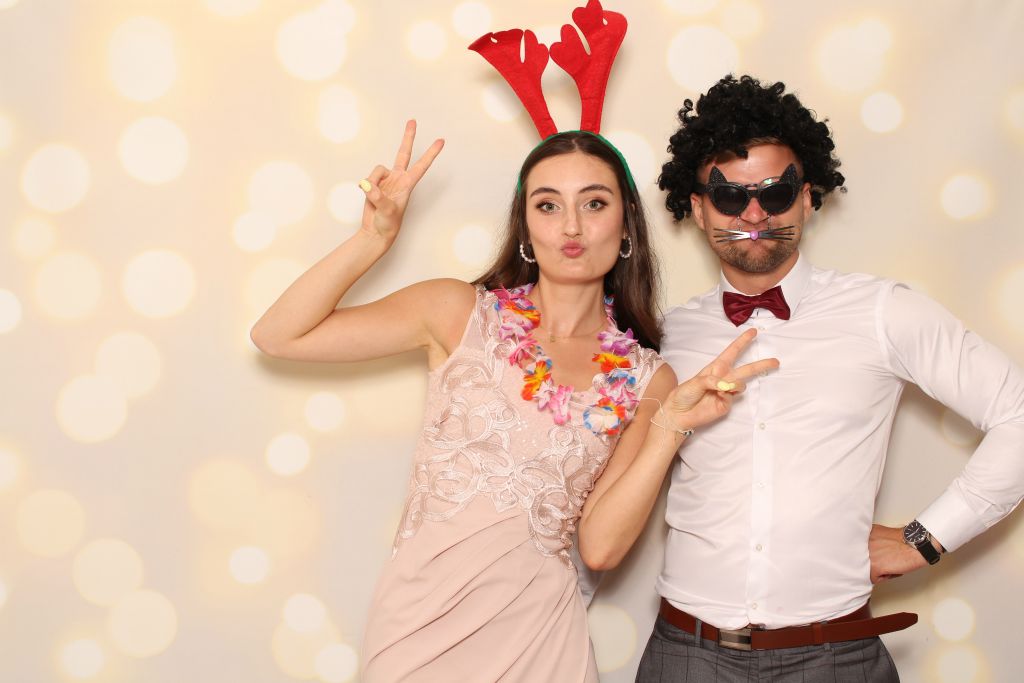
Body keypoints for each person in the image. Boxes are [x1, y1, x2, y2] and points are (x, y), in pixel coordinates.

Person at [250, 121, 777, 682]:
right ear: (525, 226)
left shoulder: (648, 378)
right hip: (418, 630)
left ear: (626, 222)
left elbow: (600, 550)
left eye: (594, 203)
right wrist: (372, 240)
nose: (571, 226)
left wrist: (669, 428)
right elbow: (277, 336)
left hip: (542, 645)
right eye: (548, 205)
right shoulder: (456, 312)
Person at [613, 74, 1024, 682]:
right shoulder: (663, 335)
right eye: (729, 196)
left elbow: (1018, 414)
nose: (755, 214)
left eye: (776, 193)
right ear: (697, 208)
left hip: (835, 656)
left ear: (807, 198)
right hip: (686, 655)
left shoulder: (884, 312)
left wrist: (926, 537)